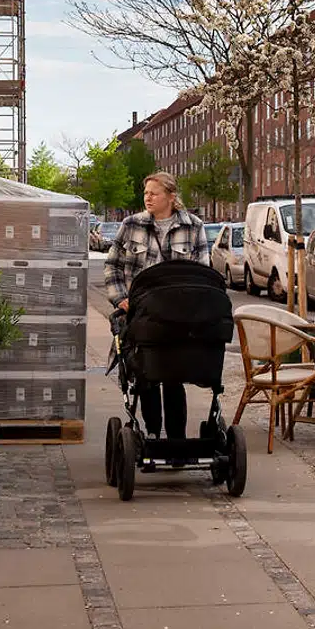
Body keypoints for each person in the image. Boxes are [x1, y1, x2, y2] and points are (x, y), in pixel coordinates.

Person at [103, 172, 211, 439]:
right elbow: (112, 266)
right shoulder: (131, 225)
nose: (147, 198)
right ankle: (152, 434)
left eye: (154, 193)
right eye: (146, 193)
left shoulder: (193, 226)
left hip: (178, 317)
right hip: (140, 314)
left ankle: (176, 439)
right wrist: (120, 298)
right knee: (146, 375)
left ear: (171, 197)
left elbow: (203, 272)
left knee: (174, 377)